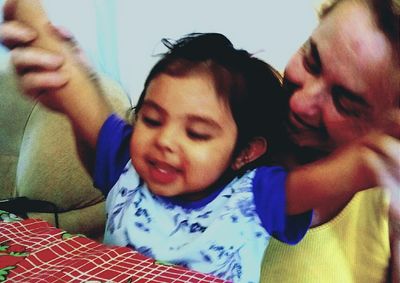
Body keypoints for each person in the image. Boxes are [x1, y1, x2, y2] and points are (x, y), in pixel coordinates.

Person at [0, 0, 398, 282]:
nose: (166, 142)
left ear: (246, 153)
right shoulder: (133, 154)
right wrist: (32, 24)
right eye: (153, 119)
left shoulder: (255, 197)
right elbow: (71, 85)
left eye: (197, 133)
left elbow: (361, 164)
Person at [261, 0, 400, 282]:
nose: (301, 103)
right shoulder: (232, 113)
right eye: (311, 60)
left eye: (345, 102)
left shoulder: (386, 202)